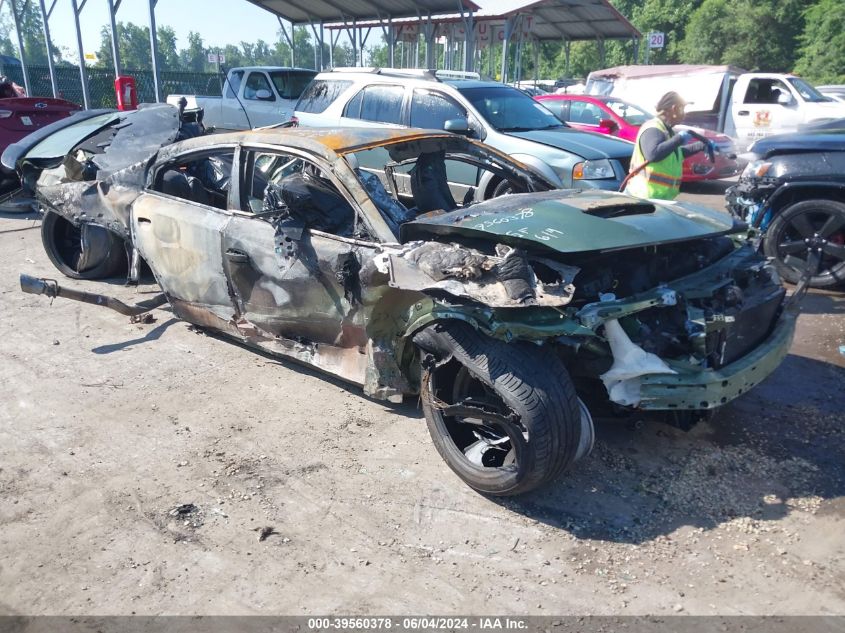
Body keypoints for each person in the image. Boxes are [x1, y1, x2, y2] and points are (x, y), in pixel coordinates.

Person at [624, 91, 715, 200]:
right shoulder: (654, 129)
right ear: (674, 109)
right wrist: (679, 139)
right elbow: (653, 154)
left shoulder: (667, 130)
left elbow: (672, 154)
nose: (684, 114)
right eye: (682, 109)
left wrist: (699, 146)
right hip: (643, 198)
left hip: (657, 197)